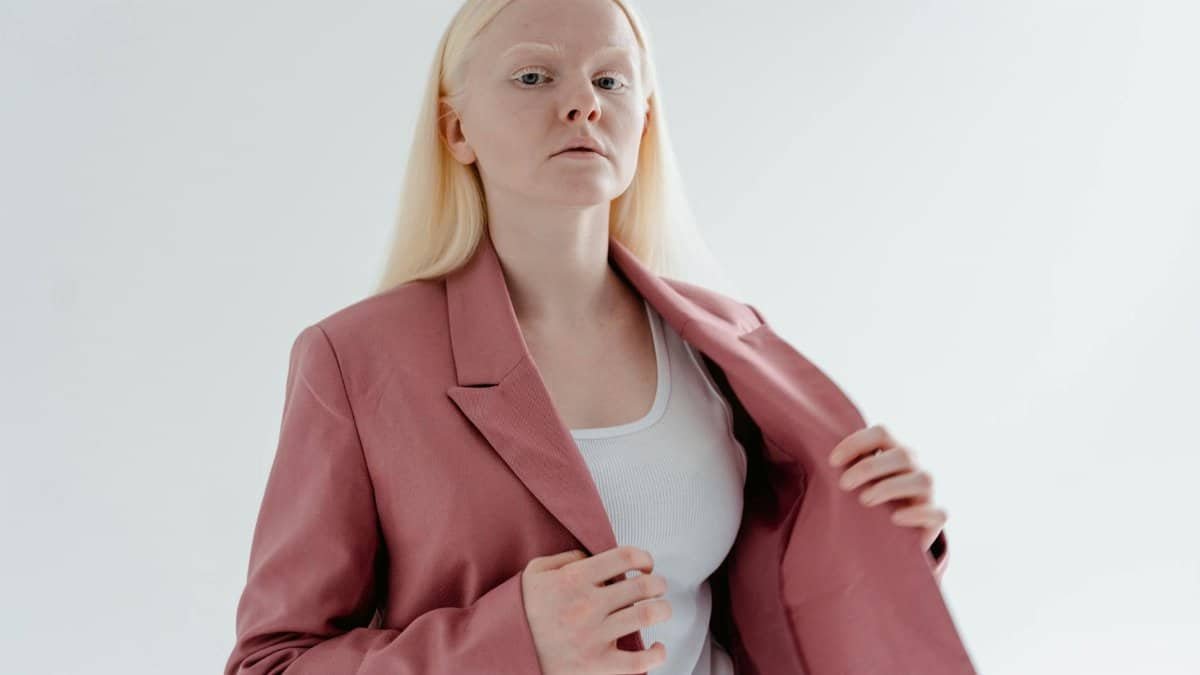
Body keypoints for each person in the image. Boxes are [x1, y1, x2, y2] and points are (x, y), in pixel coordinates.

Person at [225, 1, 968, 673]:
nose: (581, 103)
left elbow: (778, 611)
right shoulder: (354, 360)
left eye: (611, 82)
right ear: (457, 130)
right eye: (533, 76)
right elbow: (272, 662)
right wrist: (512, 643)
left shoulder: (727, 345)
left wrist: (883, 541)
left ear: (644, 119)